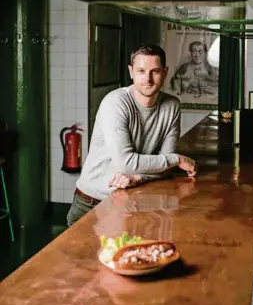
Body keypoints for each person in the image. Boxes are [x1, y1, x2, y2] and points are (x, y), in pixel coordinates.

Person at [67, 43, 197, 226]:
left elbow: (164, 165)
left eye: (155, 71)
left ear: (165, 72)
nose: (148, 79)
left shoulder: (172, 105)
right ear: (131, 72)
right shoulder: (116, 102)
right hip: (92, 202)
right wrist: (176, 160)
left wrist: (138, 178)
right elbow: (126, 163)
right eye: (141, 71)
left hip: (128, 199)